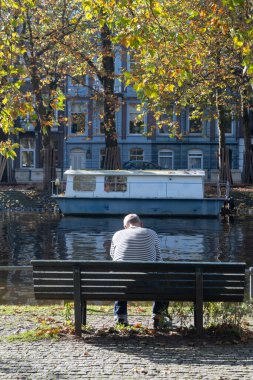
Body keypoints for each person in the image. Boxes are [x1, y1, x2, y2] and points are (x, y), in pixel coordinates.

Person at [110, 213, 171, 328]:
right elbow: (159, 260)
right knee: (163, 279)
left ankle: (121, 317)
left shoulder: (117, 234)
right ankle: (158, 316)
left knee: (121, 275)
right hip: (148, 285)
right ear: (141, 225)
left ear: (125, 226)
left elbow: (113, 257)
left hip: (122, 286)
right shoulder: (152, 233)